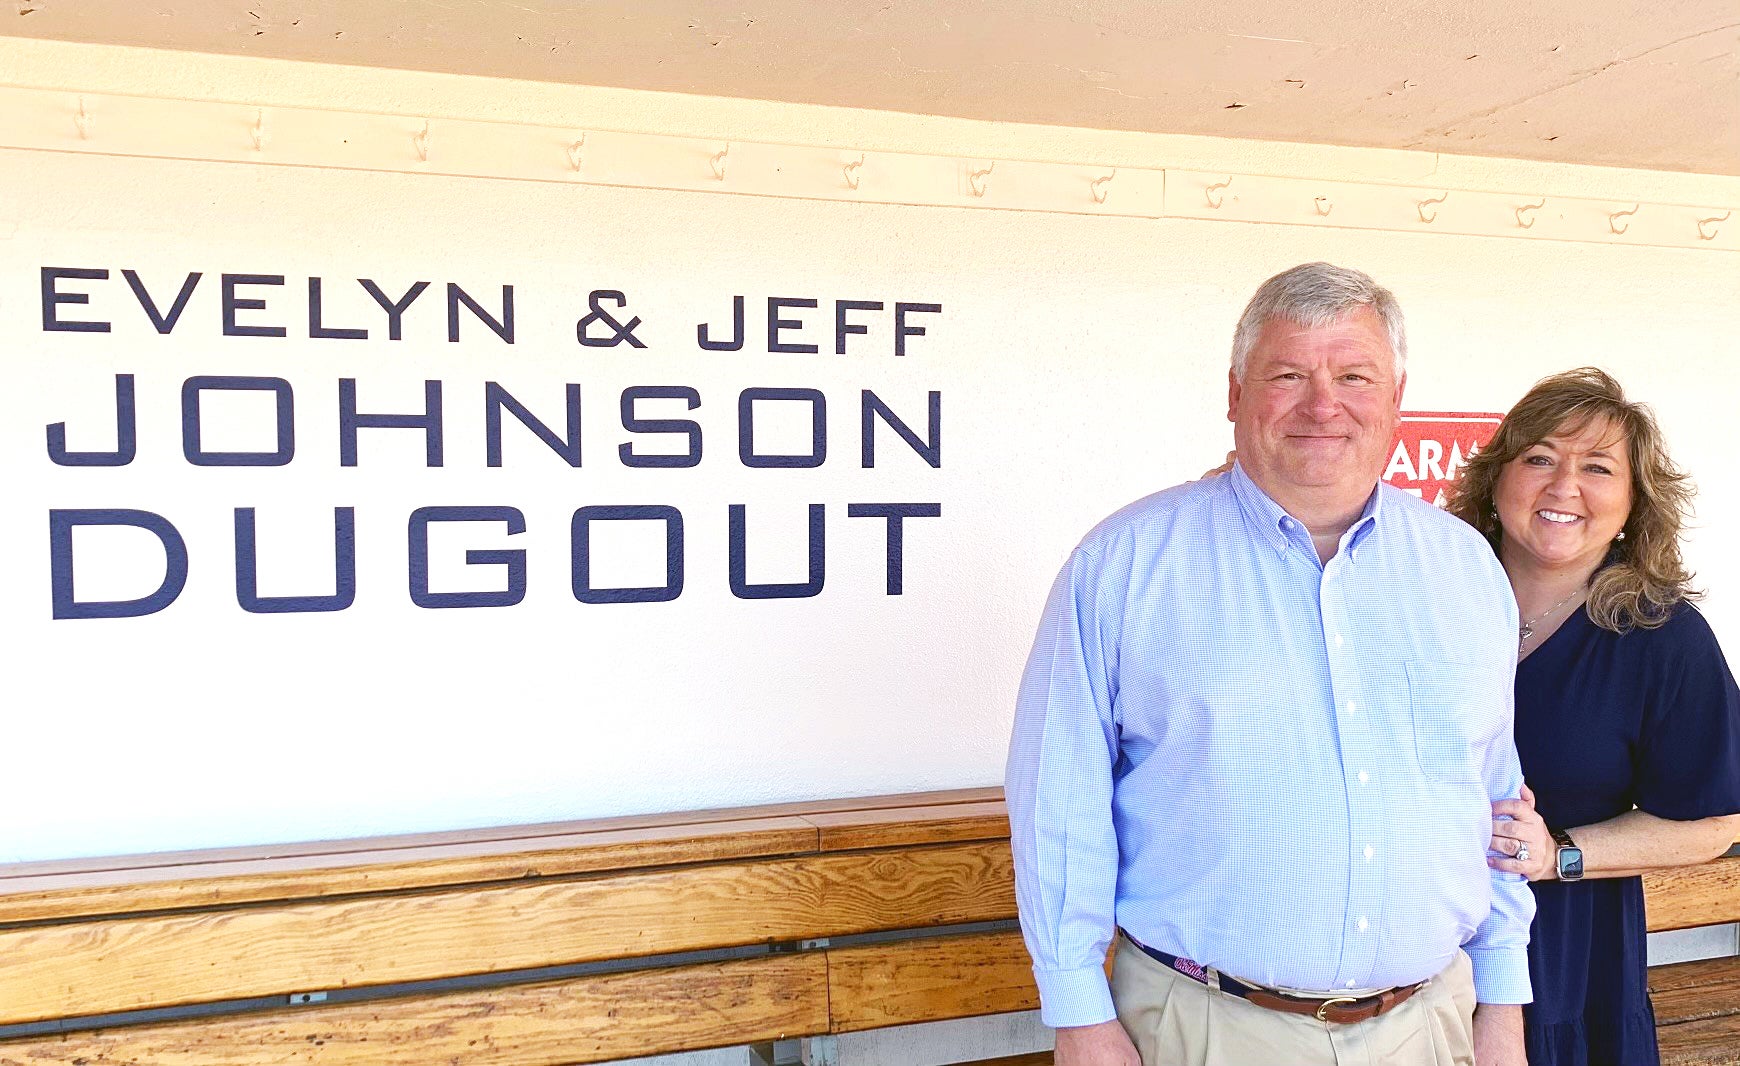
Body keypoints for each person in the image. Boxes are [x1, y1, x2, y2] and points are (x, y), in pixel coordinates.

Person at [1005, 261, 1534, 1066]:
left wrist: (1503, 1002)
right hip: (1206, 1029)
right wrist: (1079, 1017)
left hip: (1432, 1022)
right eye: (1288, 375)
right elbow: (1060, 804)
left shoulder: (1465, 569)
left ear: (1395, 398)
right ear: (1234, 395)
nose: (1324, 405)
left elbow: (1489, 797)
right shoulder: (1124, 566)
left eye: (1354, 376)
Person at [1449, 368, 1740, 1066]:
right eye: (1540, 458)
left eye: (1598, 468)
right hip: (1410, 957)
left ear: (1635, 503)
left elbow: (1714, 824)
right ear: (1497, 480)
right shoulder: (1432, 601)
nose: (1563, 486)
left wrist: (1559, 855)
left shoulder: (1661, 637)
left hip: (1569, 962)